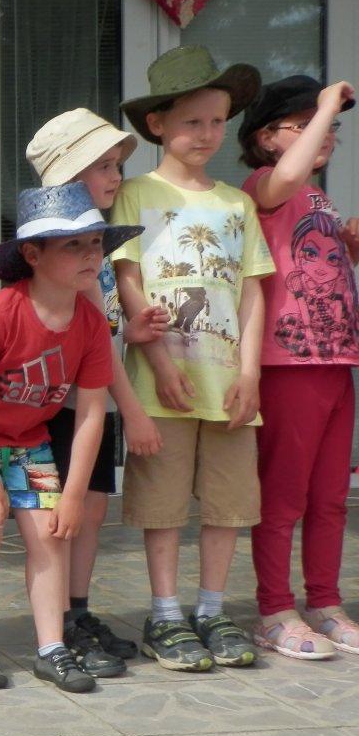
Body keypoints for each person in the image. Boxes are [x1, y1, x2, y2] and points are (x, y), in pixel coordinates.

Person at [0, 183, 136, 693]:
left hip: (27, 438)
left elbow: (91, 413)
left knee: (51, 534)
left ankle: (51, 648)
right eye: (73, 245)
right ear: (32, 255)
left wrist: (73, 495)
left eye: (95, 243)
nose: (90, 254)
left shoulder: (91, 323)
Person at [111, 46, 272, 672]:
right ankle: (166, 612)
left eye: (218, 121)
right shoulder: (136, 194)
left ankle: (211, 608)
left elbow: (252, 290)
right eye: (192, 121)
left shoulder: (237, 204)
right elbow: (128, 279)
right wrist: (159, 363)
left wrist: (251, 373)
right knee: (163, 503)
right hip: (164, 382)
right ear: (157, 124)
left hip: (227, 382)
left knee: (228, 503)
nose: (207, 134)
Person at [25, 109, 170, 676]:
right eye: (103, 166)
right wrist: (134, 412)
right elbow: (88, 345)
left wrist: (129, 332)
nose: (116, 176)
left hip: (94, 398)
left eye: (116, 165)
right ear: (67, 176)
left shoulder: (95, 246)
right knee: (68, 510)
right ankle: (60, 620)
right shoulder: (64, 249)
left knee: (91, 506)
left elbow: (99, 333)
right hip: (66, 404)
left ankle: (77, 610)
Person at [238, 76, 359, 659]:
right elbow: (285, 179)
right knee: (283, 496)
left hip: (336, 361)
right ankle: (273, 610)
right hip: (287, 363)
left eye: (329, 125)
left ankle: (325, 602)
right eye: (307, 124)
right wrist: (329, 102)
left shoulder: (317, 200)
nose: (325, 133)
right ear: (266, 138)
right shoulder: (265, 186)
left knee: (331, 495)